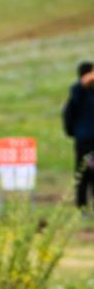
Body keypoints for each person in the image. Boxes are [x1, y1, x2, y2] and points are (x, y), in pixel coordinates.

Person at [63, 60, 94, 208]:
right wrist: (74, 133)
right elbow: (69, 115)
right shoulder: (78, 92)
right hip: (84, 141)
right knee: (83, 174)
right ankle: (82, 206)